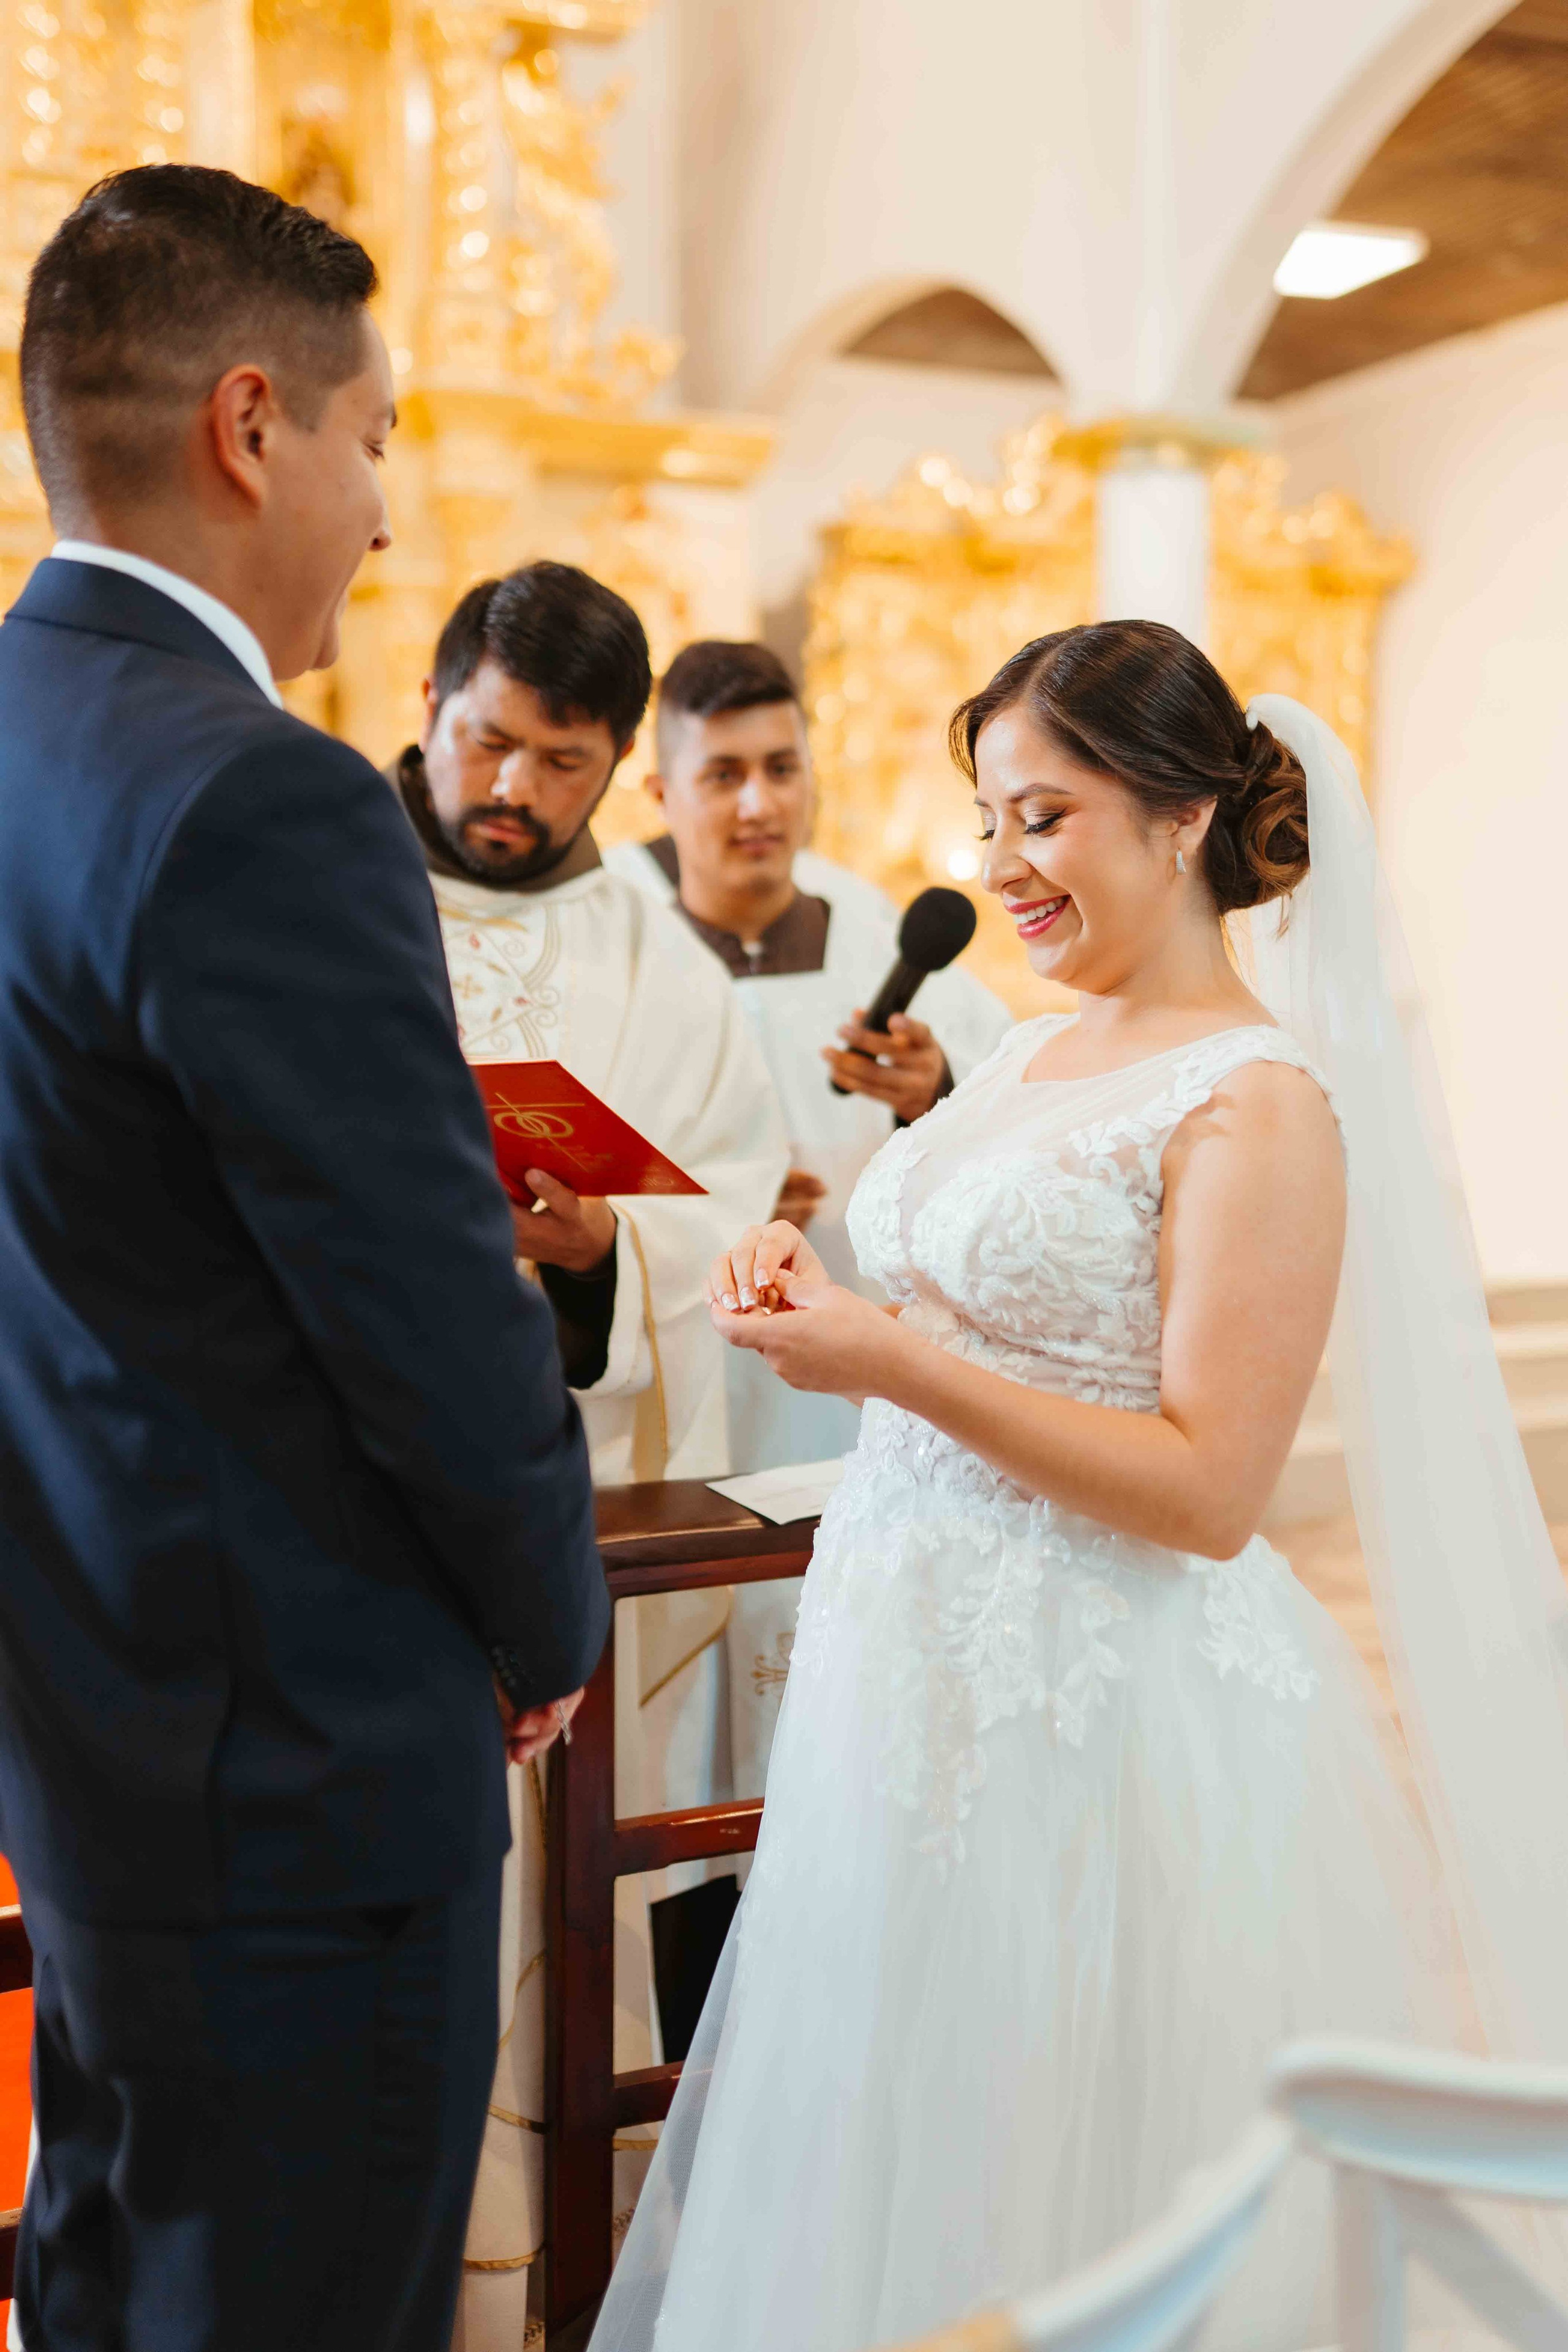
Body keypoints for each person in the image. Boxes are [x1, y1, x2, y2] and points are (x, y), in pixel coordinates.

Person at [592, 622, 1568, 2352]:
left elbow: (1210, 1486)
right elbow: (984, 1298)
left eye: (1042, 818)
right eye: (989, 822)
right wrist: (795, 1277)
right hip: (909, 1695)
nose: (998, 868)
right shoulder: (1038, 1051)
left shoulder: (1259, 1101)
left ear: (1180, 817)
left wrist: (886, 1359)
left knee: (1066, 2165)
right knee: (884, 2148)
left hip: (1106, 1716)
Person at [0, 167, 606, 2352]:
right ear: (255, 424)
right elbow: (426, 1298)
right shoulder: (257, 791)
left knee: (127, 2273)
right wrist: (545, 1610)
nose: (379, 510)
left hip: (90, 1703)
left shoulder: (24, 729)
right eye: (371, 438)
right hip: (300, 1761)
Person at [386, 570, 787, 2346]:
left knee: (548, 1934)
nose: (516, 789)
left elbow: (722, 1200)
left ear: (620, 766)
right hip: (352, 1513)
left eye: (563, 760)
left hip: (561, 1519)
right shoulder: (323, 880)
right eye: (490, 739)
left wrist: (601, 1257)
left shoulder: (662, 961)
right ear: (426, 695)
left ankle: (546, 2284)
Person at [605, 642, 1011, 1798]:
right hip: (676, 1384)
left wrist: (930, 1093)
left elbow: (1012, 1136)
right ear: (661, 790)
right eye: (724, 772)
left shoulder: (878, 930)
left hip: (839, 1402)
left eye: (784, 768)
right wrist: (706, 1195)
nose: (758, 803)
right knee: (672, 1745)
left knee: (839, 1733)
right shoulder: (613, 940)